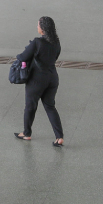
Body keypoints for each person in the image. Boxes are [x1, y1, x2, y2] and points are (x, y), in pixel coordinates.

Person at [13, 16, 64, 146]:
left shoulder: (37, 42)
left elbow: (22, 57)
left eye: (38, 25)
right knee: (50, 106)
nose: (37, 27)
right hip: (52, 78)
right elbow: (55, 57)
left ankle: (26, 133)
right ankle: (59, 137)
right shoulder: (56, 42)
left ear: (43, 28)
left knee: (30, 106)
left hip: (37, 80)